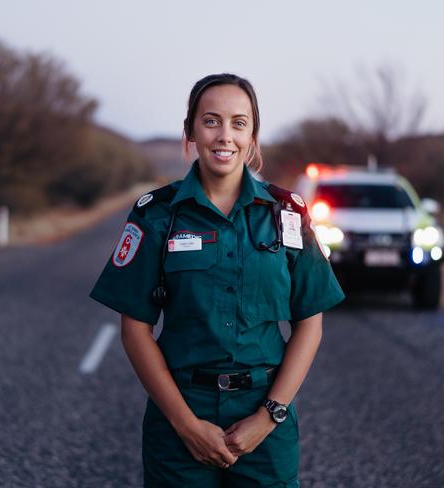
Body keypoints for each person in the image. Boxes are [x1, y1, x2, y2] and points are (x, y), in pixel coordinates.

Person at [89, 73, 344, 487]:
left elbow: (309, 323)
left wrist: (268, 416)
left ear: (253, 136)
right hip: (179, 419)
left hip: (264, 420)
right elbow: (135, 329)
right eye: (211, 121)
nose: (225, 135)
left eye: (239, 123)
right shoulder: (157, 214)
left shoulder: (287, 214)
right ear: (190, 129)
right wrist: (186, 425)